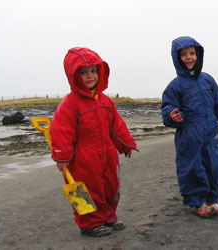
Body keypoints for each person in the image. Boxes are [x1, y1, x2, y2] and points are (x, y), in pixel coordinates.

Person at [50, 47, 138, 237]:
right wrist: (62, 157)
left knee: (111, 185)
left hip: (107, 152)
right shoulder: (70, 103)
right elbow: (61, 131)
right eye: (83, 72)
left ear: (100, 72)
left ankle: (108, 216)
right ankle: (89, 223)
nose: (89, 76)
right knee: (89, 188)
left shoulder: (105, 100)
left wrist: (125, 144)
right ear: (73, 75)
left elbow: (116, 126)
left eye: (93, 71)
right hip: (83, 156)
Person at [161, 36, 218, 218]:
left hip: (211, 132)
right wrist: (171, 115)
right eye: (184, 54)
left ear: (198, 54)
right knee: (193, 168)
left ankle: (212, 200)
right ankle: (197, 202)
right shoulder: (175, 85)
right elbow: (168, 107)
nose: (189, 57)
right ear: (177, 58)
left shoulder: (208, 80)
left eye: (192, 53)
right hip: (189, 135)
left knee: (215, 166)